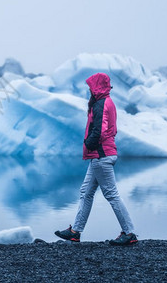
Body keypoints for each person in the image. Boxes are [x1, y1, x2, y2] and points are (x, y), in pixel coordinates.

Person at [54, 73, 138, 246]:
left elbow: (100, 130)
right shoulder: (107, 102)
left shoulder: (101, 104)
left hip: (101, 155)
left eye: (91, 87)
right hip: (100, 155)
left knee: (111, 195)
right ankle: (75, 231)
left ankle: (129, 233)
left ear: (97, 87)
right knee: (86, 192)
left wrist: (88, 143)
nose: (90, 90)